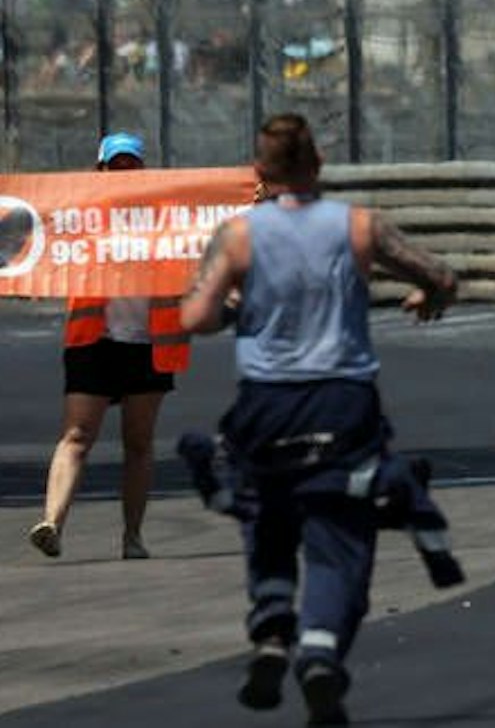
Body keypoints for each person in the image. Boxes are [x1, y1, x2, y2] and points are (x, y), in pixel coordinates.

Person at [179, 112, 459, 726]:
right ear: (319, 165)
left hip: (267, 404)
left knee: (267, 516)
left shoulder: (238, 235)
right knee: (339, 535)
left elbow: (194, 317)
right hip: (342, 400)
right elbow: (440, 275)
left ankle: (273, 634)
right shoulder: (359, 227)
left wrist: (235, 308)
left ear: (260, 173)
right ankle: (321, 650)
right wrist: (428, 297)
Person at [28, 131, 186, 561]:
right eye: (115, 166)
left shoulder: (167, 214)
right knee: (77, 434)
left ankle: (132, 536)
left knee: (138, 441)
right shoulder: (79, 213)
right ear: (99, 171)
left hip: (148, 343)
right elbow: (38, 240)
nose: (123, 173)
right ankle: (52, 524)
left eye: (131, 166)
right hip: (93, 340)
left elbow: (212, 225)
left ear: (143, 169)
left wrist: (255, 193)